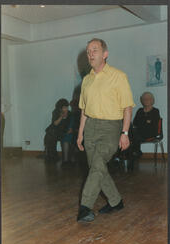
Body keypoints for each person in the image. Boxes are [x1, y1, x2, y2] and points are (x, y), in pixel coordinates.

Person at [76, 38, 135, 222]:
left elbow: (127, 107)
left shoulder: (119, 76)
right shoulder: (86, 80)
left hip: (111, 127)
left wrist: (125, 133)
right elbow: (84, 110)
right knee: (97, 168)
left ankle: (85, 207)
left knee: (98, 164)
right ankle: (116, 201)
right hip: (91, 127)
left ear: (105, 54)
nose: (90, 54)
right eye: (88, 51)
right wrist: (80, 134)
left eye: (94, 50)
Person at [44, 98, 74, 165]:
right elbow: (55, 124)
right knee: (50, 137)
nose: (66, 109)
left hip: (63, 132)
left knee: (67, 139)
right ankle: (51, 157)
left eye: (67, 107)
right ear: (60, 108)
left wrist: (71, 129)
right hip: (55, 131)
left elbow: (71, 125)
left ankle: (67, 159)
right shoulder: (55, 112)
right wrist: (61, 117)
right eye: (64, 107)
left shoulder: (70, 114)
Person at [132, 92, 160, 157]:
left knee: (133, 136)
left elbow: (153, 125)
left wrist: (143, 123)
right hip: (139, 133)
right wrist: (146, 122)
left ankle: (136, 152)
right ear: (142, 100)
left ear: (152, 100)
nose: (146, 100)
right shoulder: (140, 111)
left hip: (151, 133)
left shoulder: (155, 111)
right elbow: (135, 123)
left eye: (148, 98)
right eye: (144, 99)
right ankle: (133, 154)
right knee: (128, 134)